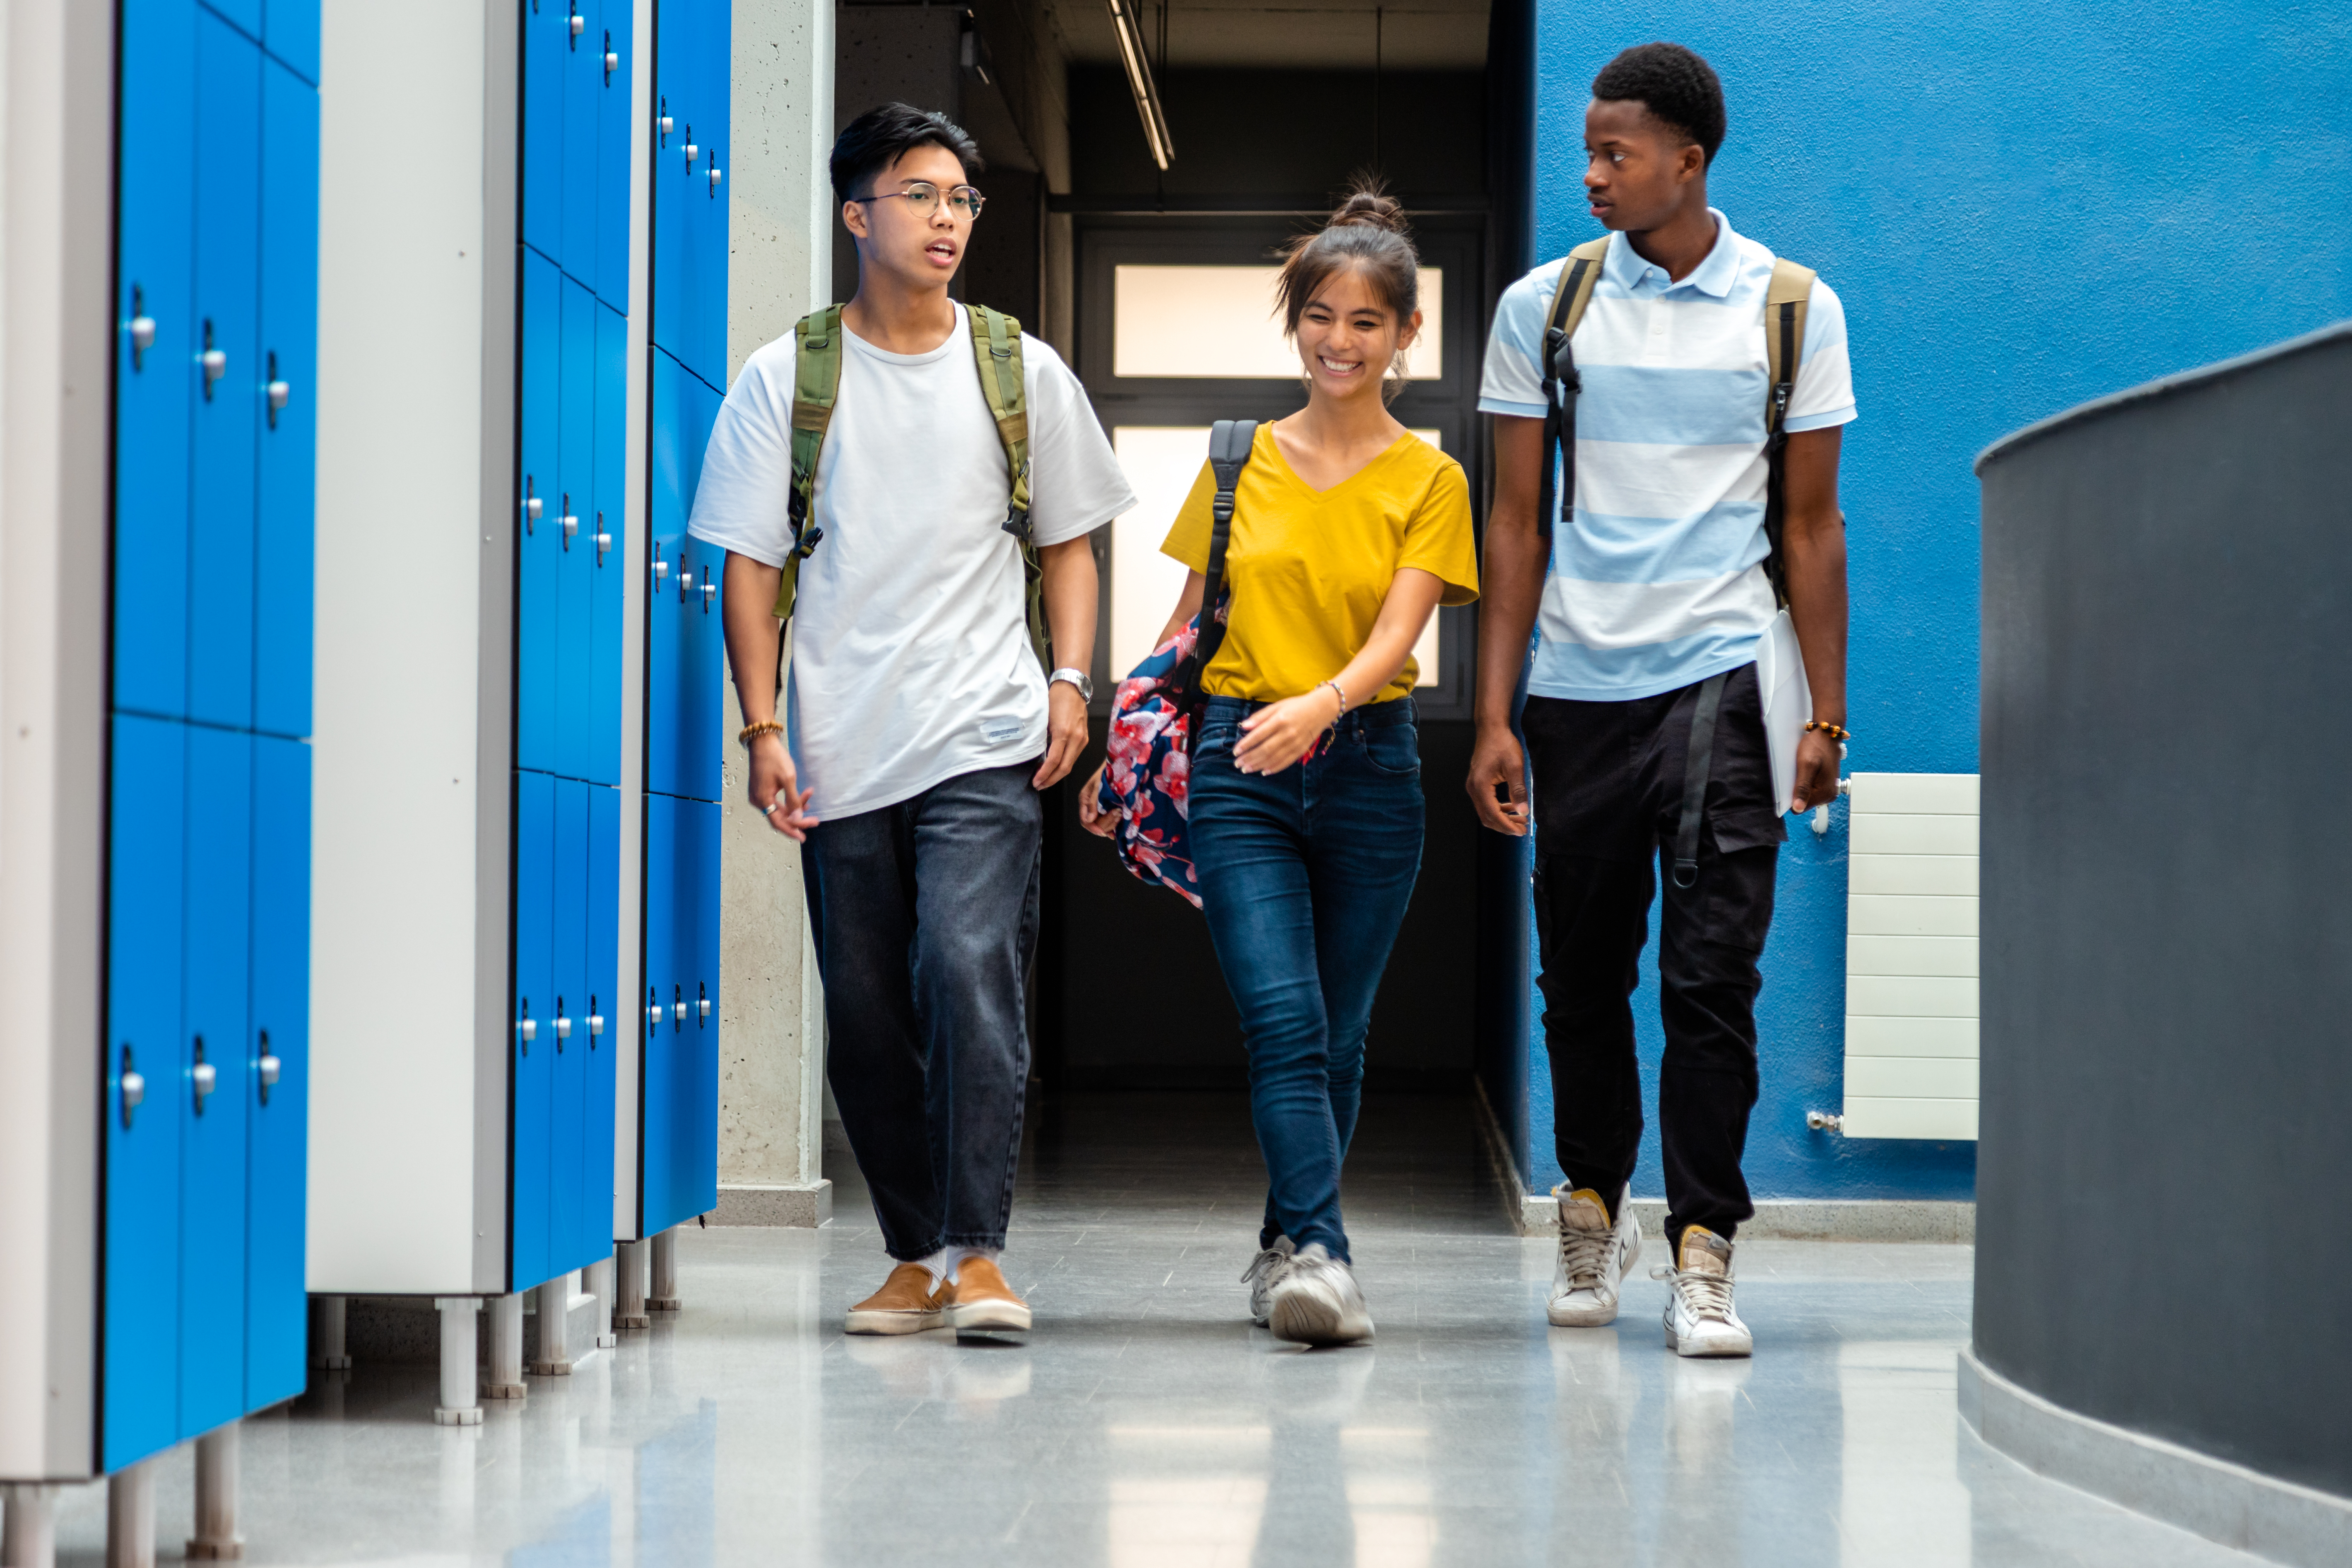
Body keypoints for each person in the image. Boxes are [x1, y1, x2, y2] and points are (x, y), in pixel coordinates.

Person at [691, 103, 1135, 1336]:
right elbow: (748, 564)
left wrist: (1070, 683)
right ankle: (910, 1253)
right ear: (856, 215)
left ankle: (979, 1255)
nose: (947, 220)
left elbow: (1072, 544)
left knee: (967, 970)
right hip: (837, 743)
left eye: (961, 200)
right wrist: (763, 729)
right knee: (872, 1007)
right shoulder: (789, 378)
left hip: (982, 732)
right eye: (921, 197)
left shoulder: (1019, 368)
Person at [1467, 43, 1856, 1357]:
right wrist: (1494, 712)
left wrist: (1827, 716)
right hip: (1577, 689)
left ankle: (1705, 1246)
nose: (1592, 174)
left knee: (1710, 983)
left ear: (1690, 161)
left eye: (1616, 152)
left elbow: (1812, 531)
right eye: (1587, 149)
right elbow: (1512, 524)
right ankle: (1590, 1204)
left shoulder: (1792, 307)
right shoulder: (1547, 307)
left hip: (1729, 687)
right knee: (1579, 981)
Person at [1082, 186, 1479, 1347]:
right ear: (1293, 321)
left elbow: (1399, 639)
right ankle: (1326, 1257)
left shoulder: (1431, 481)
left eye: (1366, 320)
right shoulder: (1233, 460)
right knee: (1283, 1021)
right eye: (1319, 314)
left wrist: (1320, 707)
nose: (1338, 340)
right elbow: (1185, 623)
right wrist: (1129, 752)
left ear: (1407, 335)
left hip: (1367, 768)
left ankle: (1282, 1244)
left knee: (1338, 1035)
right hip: (1235, 764)